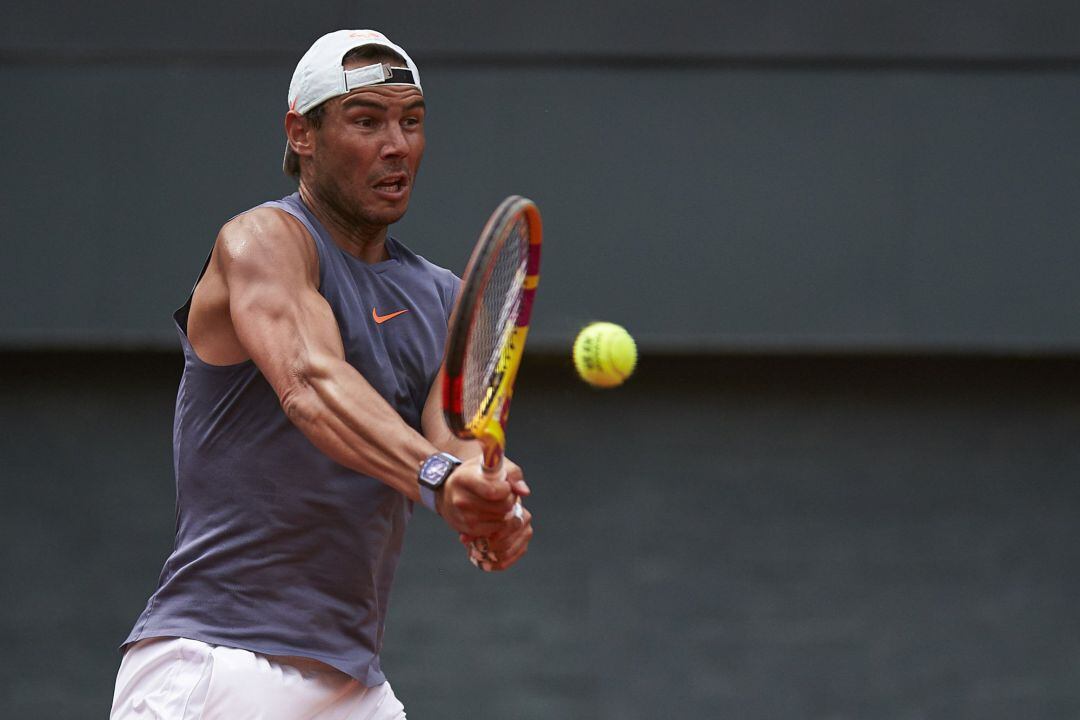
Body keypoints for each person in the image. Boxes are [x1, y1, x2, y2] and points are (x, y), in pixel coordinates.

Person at [110, 29, 534, 719]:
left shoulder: (446, 299)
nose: (396, 144)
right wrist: (437, 479)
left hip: (352, 686)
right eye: (366, 121)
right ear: (300, 134)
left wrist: (489, 500)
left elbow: (453, 442)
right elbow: (312, 387)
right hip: (216, 666)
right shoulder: (259, 243)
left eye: (412, 121)